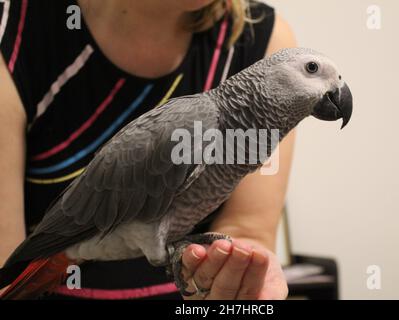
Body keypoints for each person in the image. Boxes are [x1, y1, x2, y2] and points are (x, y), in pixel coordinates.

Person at [0, 0, 297, 300]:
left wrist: (240, 273)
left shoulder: (263, 43)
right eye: (310, 70)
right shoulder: (17, 31)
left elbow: (247, 230)